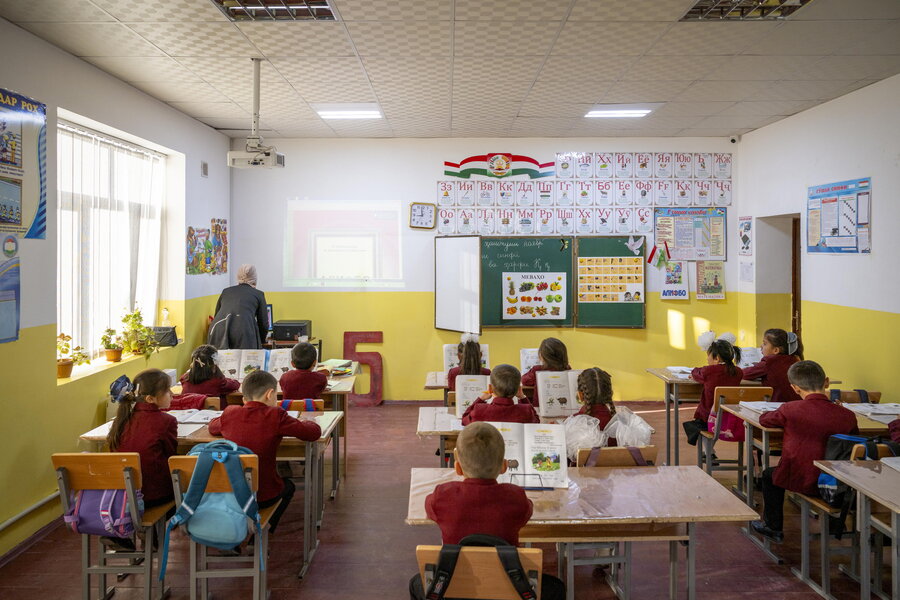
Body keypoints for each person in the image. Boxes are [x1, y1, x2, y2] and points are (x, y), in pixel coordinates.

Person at [409, 422, 565, 600]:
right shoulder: (515, 497)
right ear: (504, 466)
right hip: (511, 588)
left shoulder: (443, 495)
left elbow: (429, 506)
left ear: (458, 467)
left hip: (453, 588)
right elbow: (527, 510)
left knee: (416, 583)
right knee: (557, 587)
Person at [750, 361, 858, 543]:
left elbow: (765, 420)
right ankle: (833, 521)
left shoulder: (790, 409)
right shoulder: (847, 415)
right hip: (838, 485)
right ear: (827, 382)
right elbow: (854, 442)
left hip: (803, 479)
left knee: (770, 475)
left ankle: (773, 526)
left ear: (794, 388)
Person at [208, 370, 321, 535]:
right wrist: (308, 421)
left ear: (244, 398)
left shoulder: (230, 413)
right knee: (288, 487)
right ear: (270, 394)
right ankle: (265, 530)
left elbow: (213, 427)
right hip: (264, 495)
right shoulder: (276, 414)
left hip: (231, 495)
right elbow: (313, 433)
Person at [105, 369, 177, 551]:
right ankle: (150, 531)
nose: (172, 395)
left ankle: (141, 533)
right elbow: (171, 458)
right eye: (168, 391)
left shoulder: (120, 420)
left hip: (119, 498)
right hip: (151, 497)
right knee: (189, 489)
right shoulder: (166, 421)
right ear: (150, 399)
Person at [683, 334, 744, 445]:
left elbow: (696, 373)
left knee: (698, 424)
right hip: (730, 415)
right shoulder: (738, 372)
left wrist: (696, 371)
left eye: (708, 355)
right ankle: (708, 451)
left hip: (708, 416)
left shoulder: (709, 371)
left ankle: (708, 451)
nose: (707, 358)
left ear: (717, 358)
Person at [208, 264, 268, 349]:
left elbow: (217, 314)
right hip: (243, 330)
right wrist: (261, 340)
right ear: (254, 278)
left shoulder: (226, 291)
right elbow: (263, 323)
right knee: (246, 361)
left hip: (218, 330)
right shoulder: (258, 294)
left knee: (220, 360)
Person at [461, 364, 538, 425]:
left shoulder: (479, 410)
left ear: (490, 388)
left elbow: (464, 419)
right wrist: (522, 397)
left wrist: (480, 399)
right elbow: (536, 421)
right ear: (519, 389)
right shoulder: (525, 411)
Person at [742, 328, 804, 402]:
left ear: (776, 350)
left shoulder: (770, 361)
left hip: (778, 405)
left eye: (765, 344)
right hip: (798, 403)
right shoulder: (795, 359)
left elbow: (744, 374)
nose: (761, 346)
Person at [521, 337, 571, 406]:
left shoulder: (537, 370)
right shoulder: (567, 369)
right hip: (564, 408)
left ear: (541, 356)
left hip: (540, 410)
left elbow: (524, 381)